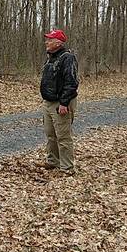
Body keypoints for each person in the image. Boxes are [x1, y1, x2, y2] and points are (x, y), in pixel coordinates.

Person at [38, 29, 79, 176]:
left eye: (50, 40)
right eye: (47, 39)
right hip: (48, 102)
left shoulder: (67, 58)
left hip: (61, 103)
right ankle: (53, 161)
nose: (46, 42)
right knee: (50, 134)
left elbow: (71, 82)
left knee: (63, 135)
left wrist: (64, 102)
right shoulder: (50, 58)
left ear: (58, 43)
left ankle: (67, 167)